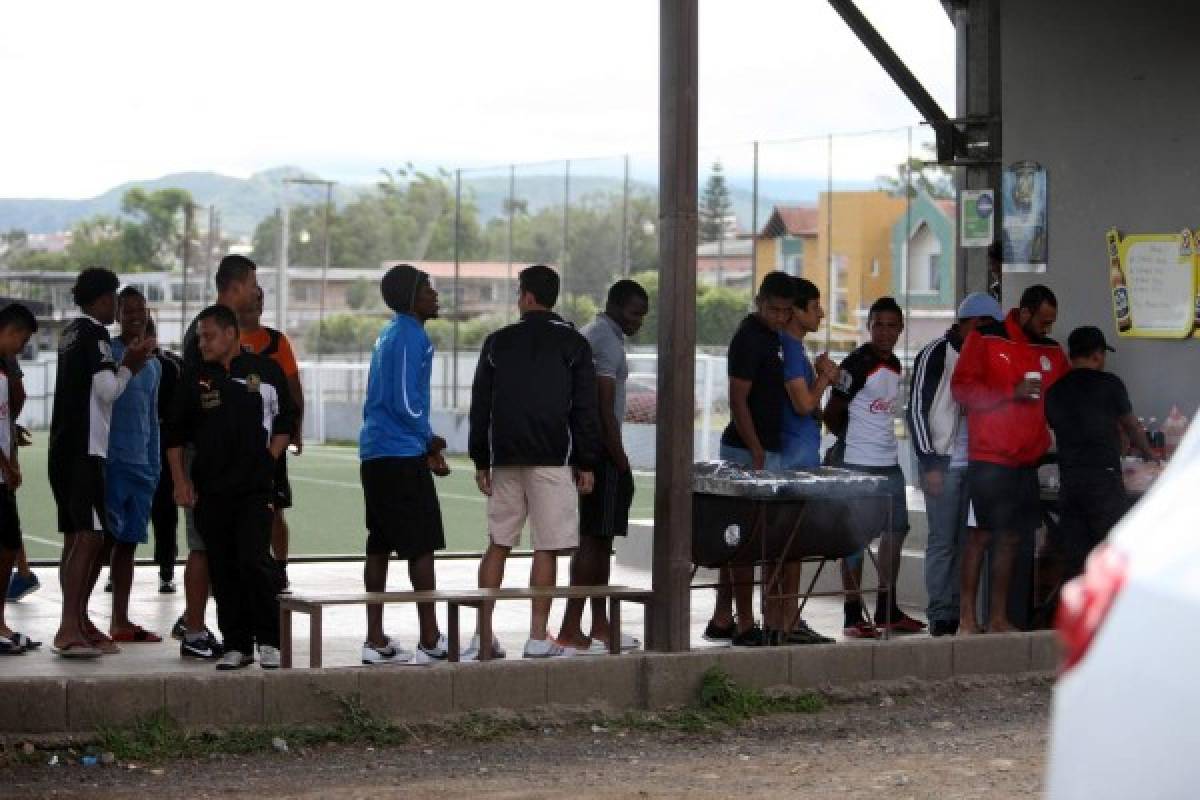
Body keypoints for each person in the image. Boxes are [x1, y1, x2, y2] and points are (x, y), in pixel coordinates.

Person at [467, 264, 599, 660]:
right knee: (548, 546)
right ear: (553, 297)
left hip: (504, 457)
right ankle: (537, 638)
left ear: (525, 296)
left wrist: (480, 459)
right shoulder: (574, 343)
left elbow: (480, 406)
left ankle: (482, 638)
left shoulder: (497, 341)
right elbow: (584, 408)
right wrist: (587, 461)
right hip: (553, 459)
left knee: (498, 543)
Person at [166, 304, 297, 670]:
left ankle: (271, 640)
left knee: (253, 561)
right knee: (223, 569)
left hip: (255, 490)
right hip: (211, 492)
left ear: (229, 334)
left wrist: (269, 460)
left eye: (208, 336)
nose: (202, 343)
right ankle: (237, 644)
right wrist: (180, 481)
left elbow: (286, 421)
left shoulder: (266, 372)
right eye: (199, 337)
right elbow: (174, 436)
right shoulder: (194, 379)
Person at [49, 267, 154, 658]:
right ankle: (67, 627)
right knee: (91, 536)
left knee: (76, 536)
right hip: (85, 450)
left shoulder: (69, 333)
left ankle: (78, 622)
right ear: (101, 298)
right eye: (114, 298)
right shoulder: (95, 335)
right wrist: (132, 365)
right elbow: (107, 390)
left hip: (62, 448)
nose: (118, 306)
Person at [952, 284, 1069, 634]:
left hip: (1027, 461)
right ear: (1026, 311)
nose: (1047, 328)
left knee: (1013, 538)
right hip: (989, 458)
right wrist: (1010, 392)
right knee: (981, 536)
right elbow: (962, 390)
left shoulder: (1051, 350)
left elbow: (1063, 399)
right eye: (1043, 320)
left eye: (1052, 322)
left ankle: (999, 617)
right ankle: (967, 618)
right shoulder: (986, 338)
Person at [359, 265, 451, 665]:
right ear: (413, 297)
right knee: (421, 544)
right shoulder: (412, 335)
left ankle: (375, 639)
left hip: (377, 452)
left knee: (379, 543)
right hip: (399, 454)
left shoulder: (389, 332)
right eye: (428, 289)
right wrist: (428, 439)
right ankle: (430, 639)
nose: (435, 295)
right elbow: (404, 400)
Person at [172, 254, 260, 659]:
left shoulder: (224, 332)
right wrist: (183, 476)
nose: (257, 292)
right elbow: (188, 408)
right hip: (199, 456)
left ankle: (205, 622)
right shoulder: (208, 331)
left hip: (224, 462)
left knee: (221, 545)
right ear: (238, 285)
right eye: (253, 284)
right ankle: (193, 628)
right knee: (203, 544)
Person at [556, 279, 649, 654]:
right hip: (601, 452)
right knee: (594, 542)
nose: (638, 321)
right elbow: (603, 406)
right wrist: (619, 457)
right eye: (633, 312)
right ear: (614, 306)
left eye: (643, 315)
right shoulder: (606, 342)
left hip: (591, 449)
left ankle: (598, 624)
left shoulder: (597, 334)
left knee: (599, 539)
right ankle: (569, 627)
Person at [824, 296, 924, 638]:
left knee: (896, 532)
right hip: (857, 465)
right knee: (854, 540)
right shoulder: (856, 364)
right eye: (877, 325)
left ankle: (886, 608)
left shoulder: (896, 365)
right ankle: (853, 615)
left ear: (900, 329)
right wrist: (850, 443)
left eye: (890, 326)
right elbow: (831, 413)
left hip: (889, 464)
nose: (884, 332)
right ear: (869, 327)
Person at [705, 271, 795, 648]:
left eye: (785, 311)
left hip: (766, 447)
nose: (779, 316)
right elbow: (738, 398)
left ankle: (723, 617)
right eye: (774, 309)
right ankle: (744, 622)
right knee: (742, 541)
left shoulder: (775, 337)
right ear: (759, 302)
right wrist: (755, 447)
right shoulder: (749, 338)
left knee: (741, 539)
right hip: (746, 450)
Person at [907, 292, 1004, 637]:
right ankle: (941, 613)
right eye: (986, 327)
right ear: (972, 324)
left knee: (968, 542)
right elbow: (916, 409)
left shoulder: (989, 353)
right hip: (945, 462)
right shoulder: (936, 353)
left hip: (977, 462)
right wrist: (930, 462)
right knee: (942, 541)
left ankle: (963, 613)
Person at [1045, 326, 1154, 582]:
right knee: (1112, 553)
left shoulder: (1055, 391)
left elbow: (1057, 427)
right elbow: (1131, 425)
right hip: (1103, 483)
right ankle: (1111, 618)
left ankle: (1076, 616)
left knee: (1076, 560)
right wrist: (1150, 455)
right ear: (1097, 355)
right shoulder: (1110, 384)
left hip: (1070, 482)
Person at [768, 276, 837, 645]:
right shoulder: (791, 349)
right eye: (815, 306)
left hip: (798, 452)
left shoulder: (796, 349)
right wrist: (824, 378)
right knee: (790, 544)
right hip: (793, 457)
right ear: (796, 311)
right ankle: (785, 618)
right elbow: (803, 404)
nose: (822, 313)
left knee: (788, 544)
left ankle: (782, 616)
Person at [104, 287, 163, 643]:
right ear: (117, 314)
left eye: (140, 310)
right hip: (111, 464)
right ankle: (76, 620)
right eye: (128, 311)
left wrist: (155, 465)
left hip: (143, 466)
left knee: (128, 545)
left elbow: (153, 417)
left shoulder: (154, 364)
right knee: (97, 545)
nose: (135, 317)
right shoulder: (107, 354)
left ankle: (120, 621)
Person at [239, 287, 305, 593]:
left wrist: (296, 429)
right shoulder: (226, 339)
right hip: (236, 444)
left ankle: (280, 569)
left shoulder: (277, 342)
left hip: (271, 445)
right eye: (253, 296)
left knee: (275, 508)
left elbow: (293, 389)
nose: (257, 302)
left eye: (261, 297)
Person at [0, 304, 39, 653]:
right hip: (3, 466)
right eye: (21, 341)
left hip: (5, 461)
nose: (21, 349)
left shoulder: (6, 362)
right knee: (7, 539)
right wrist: (8, 464)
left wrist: (9, 427)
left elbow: (15, 400)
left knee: (8, 539)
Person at [150, 323, 184, 594]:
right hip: (137, 447)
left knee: (164, 511)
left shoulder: (170, 366)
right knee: (122, 514)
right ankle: (114, 571)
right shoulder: (121, 363)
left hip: (160, 446)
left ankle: (166, 570)